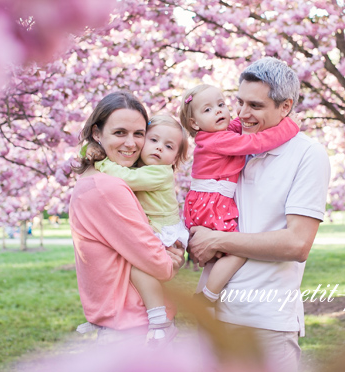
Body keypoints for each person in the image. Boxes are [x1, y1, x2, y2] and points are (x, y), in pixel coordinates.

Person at [188, 58, 331, 372]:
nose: (241, 114)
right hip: (214, 315)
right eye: (239, 102)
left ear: (285, 107)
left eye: (254, 105)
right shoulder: (236, 146)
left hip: (266, 321)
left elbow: (297, 244)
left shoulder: (307, 155)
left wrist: (218, 239)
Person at [69, 92, 185, 344]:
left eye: (139, 134)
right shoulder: (107, 187)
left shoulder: (95, 180)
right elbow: (160, 265)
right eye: (120, 133)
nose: (131, 144)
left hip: (127, 327)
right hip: (134, 331)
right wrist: (171, 261)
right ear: (97, 133)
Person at [178, 84, 299, 304]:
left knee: (220, 251)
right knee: (236, 249)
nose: (218, 111)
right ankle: (207, 296)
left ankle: (207, 291)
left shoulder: (216, 135)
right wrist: (289, 126)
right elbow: (255, 141)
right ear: (194, 123)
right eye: (207, 110)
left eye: (221, 104)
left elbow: (237, 125)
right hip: (211, 203)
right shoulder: (218, 140)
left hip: (204, 202)